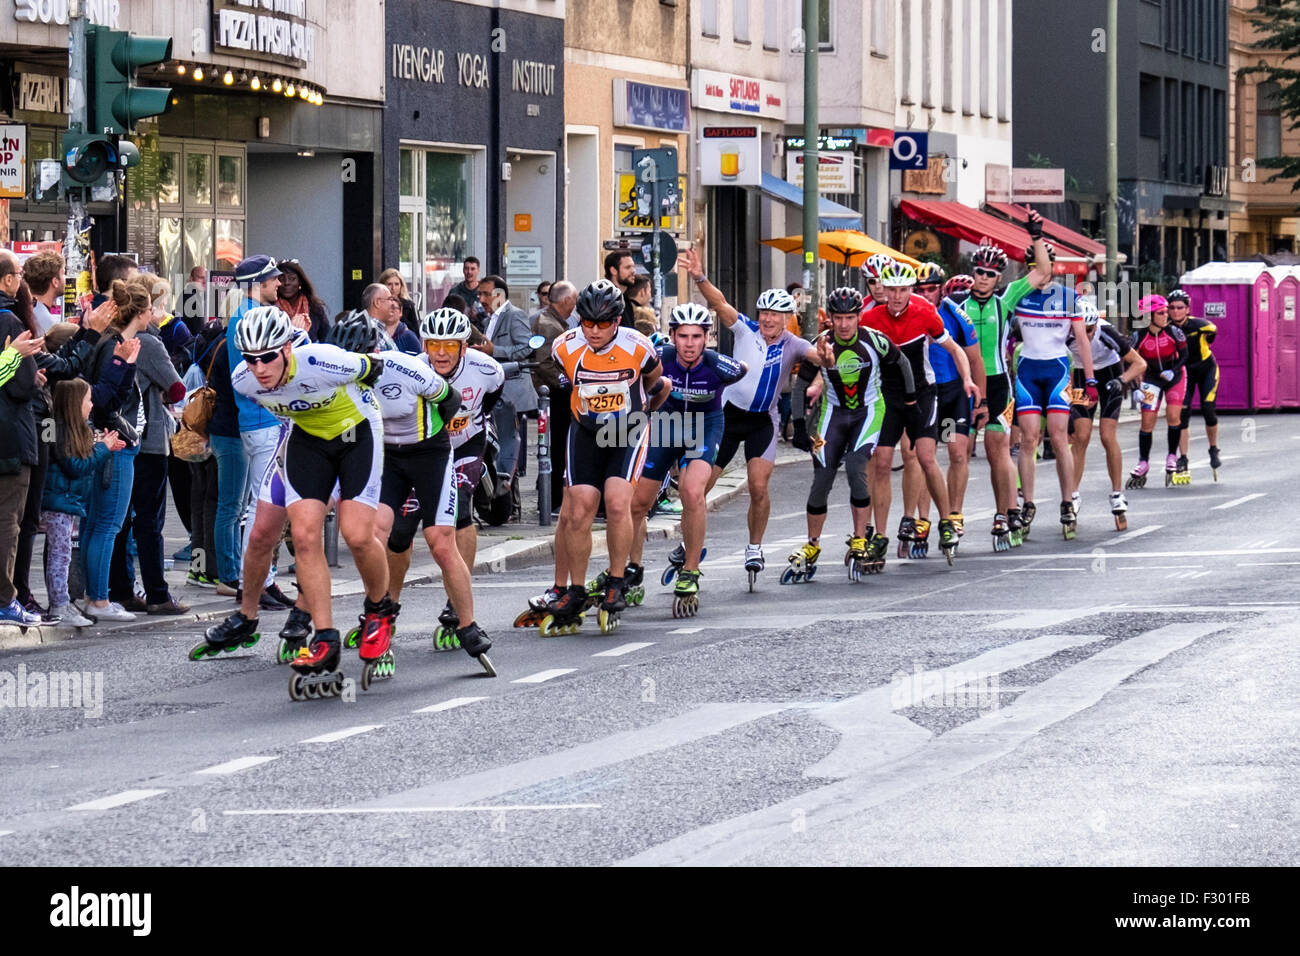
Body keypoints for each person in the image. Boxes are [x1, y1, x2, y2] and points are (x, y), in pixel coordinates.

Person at [228, 307, 393, 687]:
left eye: (268, 356)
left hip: (357, 435)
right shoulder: (244, 381)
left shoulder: (323, 361)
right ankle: (325, 637)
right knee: (303, 537)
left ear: (287, 348)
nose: (259, 368)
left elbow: (374, 367)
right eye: (250, 359)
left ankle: (379, 610)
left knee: (356, 535)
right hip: (309, 442)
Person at [531, 280, 666, 634]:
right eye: (586, 322)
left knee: (618, 502)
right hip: (586, 430)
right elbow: (561, 376)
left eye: (602, 323)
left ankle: (616, 581)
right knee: (578, 509)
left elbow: (655, 376)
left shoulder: (637, 345)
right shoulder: (565, 346)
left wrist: (640, 406)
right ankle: (575, 590)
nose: (593, 330)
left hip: (627, 430)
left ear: (617, 321)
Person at [682, 247, 815, 576]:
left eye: (776, 314)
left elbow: (817, 357)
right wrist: (700, 276)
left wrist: (827, 359)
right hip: (727, 417)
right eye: (764, 313)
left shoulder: (793, 344)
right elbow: (719, 303)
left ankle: (754, 547)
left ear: (787, 318)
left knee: (758, 487)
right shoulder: (744, 329)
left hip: (762, 422)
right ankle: (689, 543)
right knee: (699, 487)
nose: (768, 319)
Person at [627, 303, 746, 614]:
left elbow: (746, 372)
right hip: (667, 427)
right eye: (683, 336)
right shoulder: (658, 358)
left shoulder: (721, 366)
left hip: (705, 428)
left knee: (692, 492)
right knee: (638, 503)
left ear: (707, 338)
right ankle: (633, 569)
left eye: (696, 336)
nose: (690, 343)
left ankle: (690, 571)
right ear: (672, 336)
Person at [787, 287, 912, 580]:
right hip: (834, 414)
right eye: (839, 318)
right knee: (822, 478)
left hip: (868, 411)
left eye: (850, 318)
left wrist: (909, 403)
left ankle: (859, 538)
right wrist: (800, 426)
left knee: (857, 468)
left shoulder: (874, 341)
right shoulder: (820, 345)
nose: (844, 324)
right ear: (830, 318)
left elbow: (902, 364)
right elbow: (799, 387)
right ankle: (813, 545)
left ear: (859, 317)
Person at [388, 306, 506, 617]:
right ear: (424, 345)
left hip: (466, 442)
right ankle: (388, 604)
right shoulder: (412, 369)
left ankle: (457, 602)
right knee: (400, 530)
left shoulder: (487, 369)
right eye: (433, 345)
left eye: (450, 345)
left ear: (464, 346)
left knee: (461, 511)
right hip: (423, 451)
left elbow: (491, 399)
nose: (441, 353)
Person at [861, 261, 979, 564]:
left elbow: (960, 350)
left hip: (927, 394)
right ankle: (882, 535)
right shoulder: (871, 317)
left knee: (930, 456)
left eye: (903, 290)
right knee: (882, 462)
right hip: (889, 396)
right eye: (892, 290)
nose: (898, 296)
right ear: (883, 290)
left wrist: (970, 382)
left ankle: (946, 520)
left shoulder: (929, 312)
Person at [7, 267, 107, 619]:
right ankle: (15, 597)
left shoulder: (26, 343)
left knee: (25, 521)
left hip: (26, 438)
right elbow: (67, 365)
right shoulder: (13, 327)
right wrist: (91, 333)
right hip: (21, 441)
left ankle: (18, 595)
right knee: (20, 521)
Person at [106, 275, 189, 615]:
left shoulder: (112, 338)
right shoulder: (150, 344)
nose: (164, 311)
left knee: (120, 520)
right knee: (150, 523)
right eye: (162, 304)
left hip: (118, 437)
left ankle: (121, 589)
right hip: (150, 439)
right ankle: (157, 593)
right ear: (148, 307)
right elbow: (177, 388)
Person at [961, 237, 1050, 549]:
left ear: (999, 277)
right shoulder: (960, 306)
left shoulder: (1007, 299)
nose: (983, 277)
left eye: (990, 273)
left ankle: (1006, 512)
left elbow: (1043, 270)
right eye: (979, 272)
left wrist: (1035, 236)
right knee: (959, 451)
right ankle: (953, 518)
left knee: (996, 449)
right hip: (968, 385)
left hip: (999, 383)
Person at [80, 279, 150, 622]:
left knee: (97, 523)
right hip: (114, 442)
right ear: (138, 312)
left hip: (106, 439)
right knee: (107, 524)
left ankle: (94, 596)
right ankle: (99, 599)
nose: (154, 313)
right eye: (150, 307)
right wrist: (126, 365)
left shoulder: (112, 342)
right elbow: (106, 399)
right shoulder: (115, 346)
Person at [903, 264, 986, 551]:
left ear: (941, 288)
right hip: (925, 392)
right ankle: (924, 518)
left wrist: (982, 401)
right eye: (921, 290)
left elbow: (975, 360)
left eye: (931, 289)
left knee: (955, 452)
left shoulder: (954, 314)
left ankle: (955, 513)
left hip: (952, 393)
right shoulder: (910, 310)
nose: (926, 295)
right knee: (926, 458)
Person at [221, 255, 288, 600]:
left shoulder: (241, 316)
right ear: (258, 284)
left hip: (256, 421)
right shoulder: (253, 319)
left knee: (262, 505)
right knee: (262, 507)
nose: (279, 283)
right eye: (273, 279)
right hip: (264, 420)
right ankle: (255, 583)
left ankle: (264, 579)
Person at [43, 379, 124, 627]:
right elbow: (76, 467)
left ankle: (62, 601)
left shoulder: (70, 428)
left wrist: (101, 444)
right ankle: (59, 604)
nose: (91, 404)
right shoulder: (60, 430)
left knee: (62, 553)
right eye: (88, 399)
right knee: (60, 555)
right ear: (75, 403)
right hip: (59, 502)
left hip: (65, 501)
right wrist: (103, 449)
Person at [1067, 299, 1146, 523]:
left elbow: (1139, 364)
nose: (1087, 335)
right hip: (1082, 375)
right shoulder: (1067, 333)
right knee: (1080, 437)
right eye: (1082, 330)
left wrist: (1121, 381)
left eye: (1090, 330)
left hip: (1110, 374)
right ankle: (1072, 494)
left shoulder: (1105, 331)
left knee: (1107, 435)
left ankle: (1117, 493)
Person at [0, 261, 46, 627]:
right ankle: (5, 598)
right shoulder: (10, 323)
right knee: (9, 522)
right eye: (17, 272)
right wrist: (20, 360)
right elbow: (18, 386)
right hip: (11, 441)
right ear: (9, 279)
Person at [477, 274, 538, 494]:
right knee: (498, 445)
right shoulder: (487, 320)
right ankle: (505, 498)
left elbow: (527, 348)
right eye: (479, 294)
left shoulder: (515, 315)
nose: (481, 299)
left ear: (500, 295)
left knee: (509, 446)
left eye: (486, 294)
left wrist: (496, 351)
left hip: (512, 393)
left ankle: (510, 500)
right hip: (495, 393)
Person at [1127, 295, 1189, 489]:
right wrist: (1135, 389)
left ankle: (1172, 455)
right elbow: (1129, 363)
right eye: (1161, 312)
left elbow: (1185, 354)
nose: (1166, 315)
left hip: (1175, 376)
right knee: (1147, 422)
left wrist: (1174, 370)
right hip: (1151, 378)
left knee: (1173, 415)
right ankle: (1143, 462)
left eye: (1166, 311)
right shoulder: (1138, 337)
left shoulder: (1174, 332)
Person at [531, 280, 577, 512]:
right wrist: (566, 383)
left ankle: (552, 499)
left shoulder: (553, 321)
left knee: (556, 447)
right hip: (554, 396)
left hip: (553, 394)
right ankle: (553, 500)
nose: (576, 305)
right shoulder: (550, 325)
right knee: (557, 448)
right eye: (574, 299)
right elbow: (544, 363)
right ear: (566, 301)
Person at [1167, 289, 1221, 478]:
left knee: (1208, 408)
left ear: (1187, 309)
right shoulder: (1168, 329)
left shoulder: (1202, 326)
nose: (1175, 312)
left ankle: (1213, 448)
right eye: (1172, 308)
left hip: (1206, 369)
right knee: (1183, 413)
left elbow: (1213, 333)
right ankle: (1183, 457)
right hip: (1185, 373)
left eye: (1180, 307)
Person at [277, 259, 332, 342]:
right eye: (281, 279)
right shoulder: (270, 308)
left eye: (292, 278)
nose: (286, 283)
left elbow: (327, 339)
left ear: (300, 282)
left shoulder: (314, 308)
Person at [361, 282, 420, 354]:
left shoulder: (377, 329)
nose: (392, 303)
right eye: (390, 299)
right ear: (377, 302)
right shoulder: (372, 332)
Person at [24, 251, 65, 334]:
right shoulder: (47, 324)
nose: (66, 278)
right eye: (63, 273)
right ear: (55, 282)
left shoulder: (27, 310)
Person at [604, 250, 639, 328]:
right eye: (628, 267)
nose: (633, 271)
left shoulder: (625, 300)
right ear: (613, 270)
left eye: (633, 267)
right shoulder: (606, 300)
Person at [447, 256, 485, 327]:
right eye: (466, 268)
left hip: (482, 334)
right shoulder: (454, 292)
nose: (469, 272)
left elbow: (493, 318)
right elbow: (447, 316)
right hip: (459, 333)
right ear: (463, 270)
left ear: (478, 270)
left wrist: (478, 316)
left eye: (472, 269)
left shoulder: (486, 292)